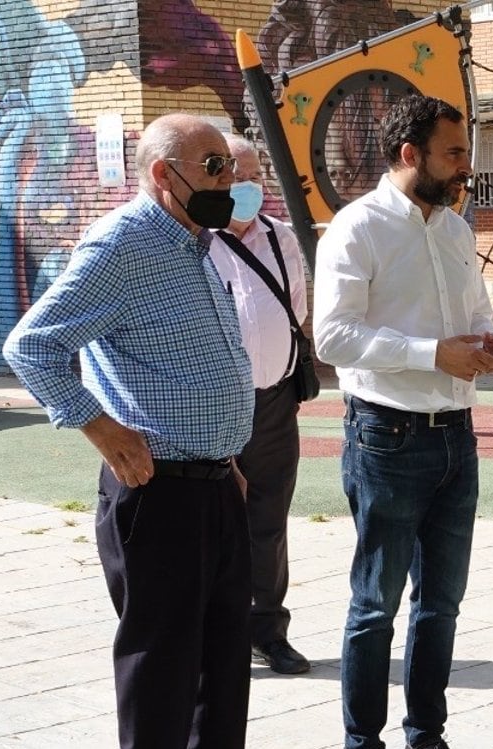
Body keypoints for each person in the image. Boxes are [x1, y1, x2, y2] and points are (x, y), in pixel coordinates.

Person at [3, 114, 298, 749]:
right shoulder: (124, 244)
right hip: (155, 489)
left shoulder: (194, 243)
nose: (226, 183)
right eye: (211, 167)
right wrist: (98, 427)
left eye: (228, 168)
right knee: (163, 656)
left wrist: (227, 450)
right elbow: (32, 346)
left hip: (213, 481)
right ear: (163, 174)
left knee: (224, 649)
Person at [313, 95, 493, 749]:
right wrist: (432, 354)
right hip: (387, 437)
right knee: (375, 605)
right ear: (409, 155)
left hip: (456, 438)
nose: (465, 168)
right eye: (453, 154)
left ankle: (425, 737)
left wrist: (491, 343)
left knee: (441, 605)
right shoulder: (356, 230)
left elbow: (474, 314)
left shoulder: (454, 228)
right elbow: (332, 338)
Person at [209, 133, 313, 676]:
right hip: (211, 409)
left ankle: (267, 631)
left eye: (256, 178)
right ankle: (215, 635)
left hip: (274, 401)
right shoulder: (193, 241)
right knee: (213, 524)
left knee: (269, 520)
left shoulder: (282, 238)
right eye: (236, 177)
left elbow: (296, 310)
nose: (249, 188)